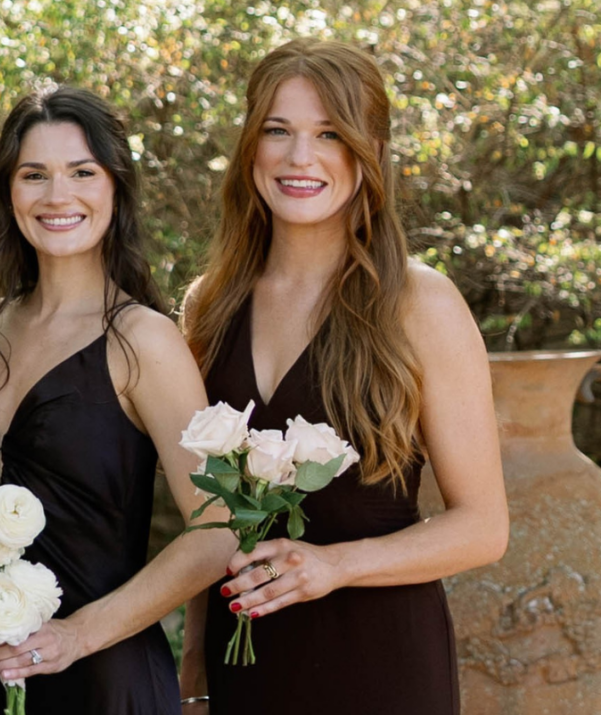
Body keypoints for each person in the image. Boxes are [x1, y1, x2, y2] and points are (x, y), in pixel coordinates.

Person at [180, 38, 506, 715]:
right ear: (251, 148)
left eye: (330, 133)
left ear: (372, 153)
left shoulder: (421, 304)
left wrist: (336, 565)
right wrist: (193, 660)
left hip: (381, 665)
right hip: (248, 663)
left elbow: (483, 526)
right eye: (279, 131)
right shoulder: (207, 306)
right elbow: (208, 514)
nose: (301, 157)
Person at [0, 83, 230, 714]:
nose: (58, 196)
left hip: (105, 677)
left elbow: (217, 529)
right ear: (8, 192)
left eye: (82, 171)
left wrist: (78, 635)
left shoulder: (143, 341)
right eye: (34, 175)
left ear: (116, 186)